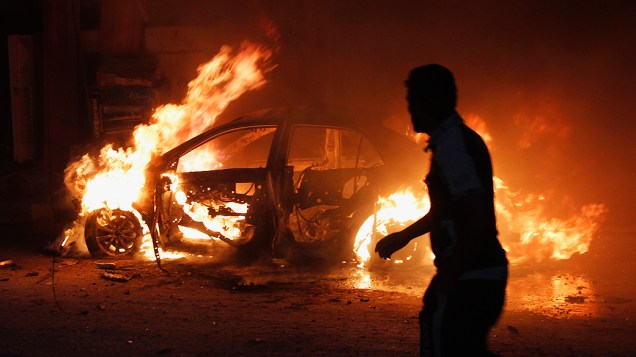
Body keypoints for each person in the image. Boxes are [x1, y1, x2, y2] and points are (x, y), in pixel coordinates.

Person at [375, 64, 508, 357]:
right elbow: (449, 211)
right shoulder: (453, 142)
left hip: (471, 277)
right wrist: (405, 236)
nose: (409, 111)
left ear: (428, 102)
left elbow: (477, 217)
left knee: (439, 341)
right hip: (480, 273)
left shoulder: (453, 147)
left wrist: (452, 272)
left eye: (412, 102)